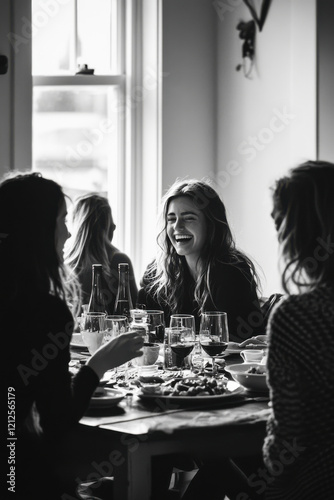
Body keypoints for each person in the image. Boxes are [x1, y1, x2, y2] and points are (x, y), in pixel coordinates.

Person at [182, 160, 334, 500]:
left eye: (279, 220)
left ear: (302, 230)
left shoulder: (299, 315)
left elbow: (284, 448)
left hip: (312, 486)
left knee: (218, 466)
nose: (278, 232)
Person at [1, 173, 144, 499]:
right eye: (62, 221)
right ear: (38, 230)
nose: (68, 231)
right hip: (16, 475)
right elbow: (58, 420)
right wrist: (99, 363)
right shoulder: (43, 311)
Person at [138, 178, 264, 342]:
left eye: (188, 218)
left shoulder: (232, 270)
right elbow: (143, 331)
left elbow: (233, 340)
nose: (177, 226)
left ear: (210, 225)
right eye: (171, 219)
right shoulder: (156, 272)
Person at [65, 193, 138, 314]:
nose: (114, 226)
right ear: (107, 227)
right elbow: (132, 312)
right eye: (110, 221)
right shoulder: (120, 261)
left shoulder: (63, 263)